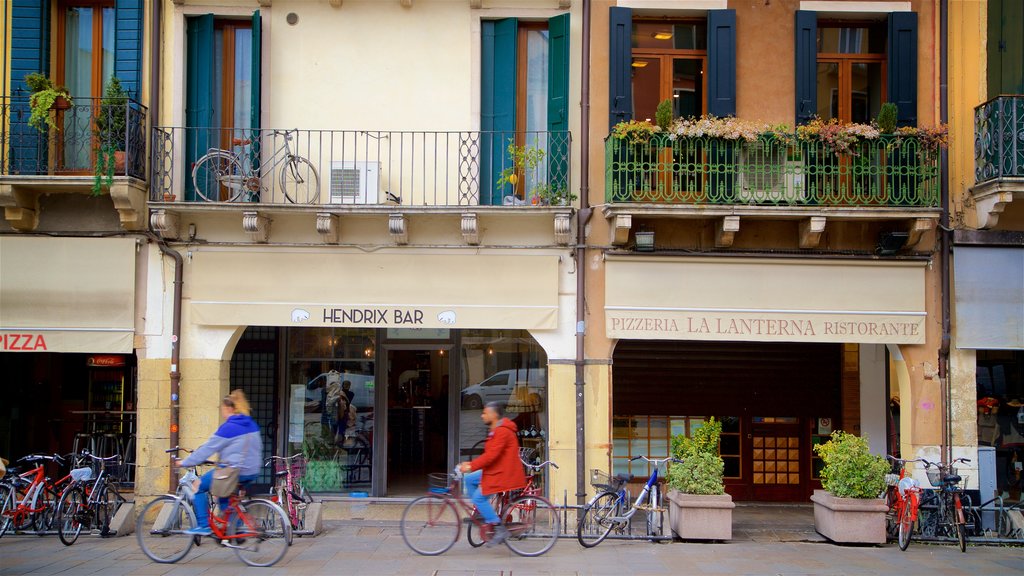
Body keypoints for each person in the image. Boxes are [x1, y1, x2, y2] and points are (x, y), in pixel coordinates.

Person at [176, 389, 263, 536]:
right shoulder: (251, 425)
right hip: (252, 471)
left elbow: (208, 448)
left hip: (234, 472)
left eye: (222, 409)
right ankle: (234, 531)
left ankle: (203, 525)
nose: (222, 413)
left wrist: (185, 462)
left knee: (198, 486)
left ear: (229, 408)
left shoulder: (229, 427)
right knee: (225, 497)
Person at [458, 402, 526, 547]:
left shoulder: (502, 431)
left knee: (478, 497)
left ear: (494, 415)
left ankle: (498, 528)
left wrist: (470, 465)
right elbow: (490, 455)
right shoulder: (496, 429)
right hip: (496, 469)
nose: (482, 415)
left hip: (503, 473)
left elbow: (491, 456)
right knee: (469, 479)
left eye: (485, 413)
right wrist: (471, 468)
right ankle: (482, 513)